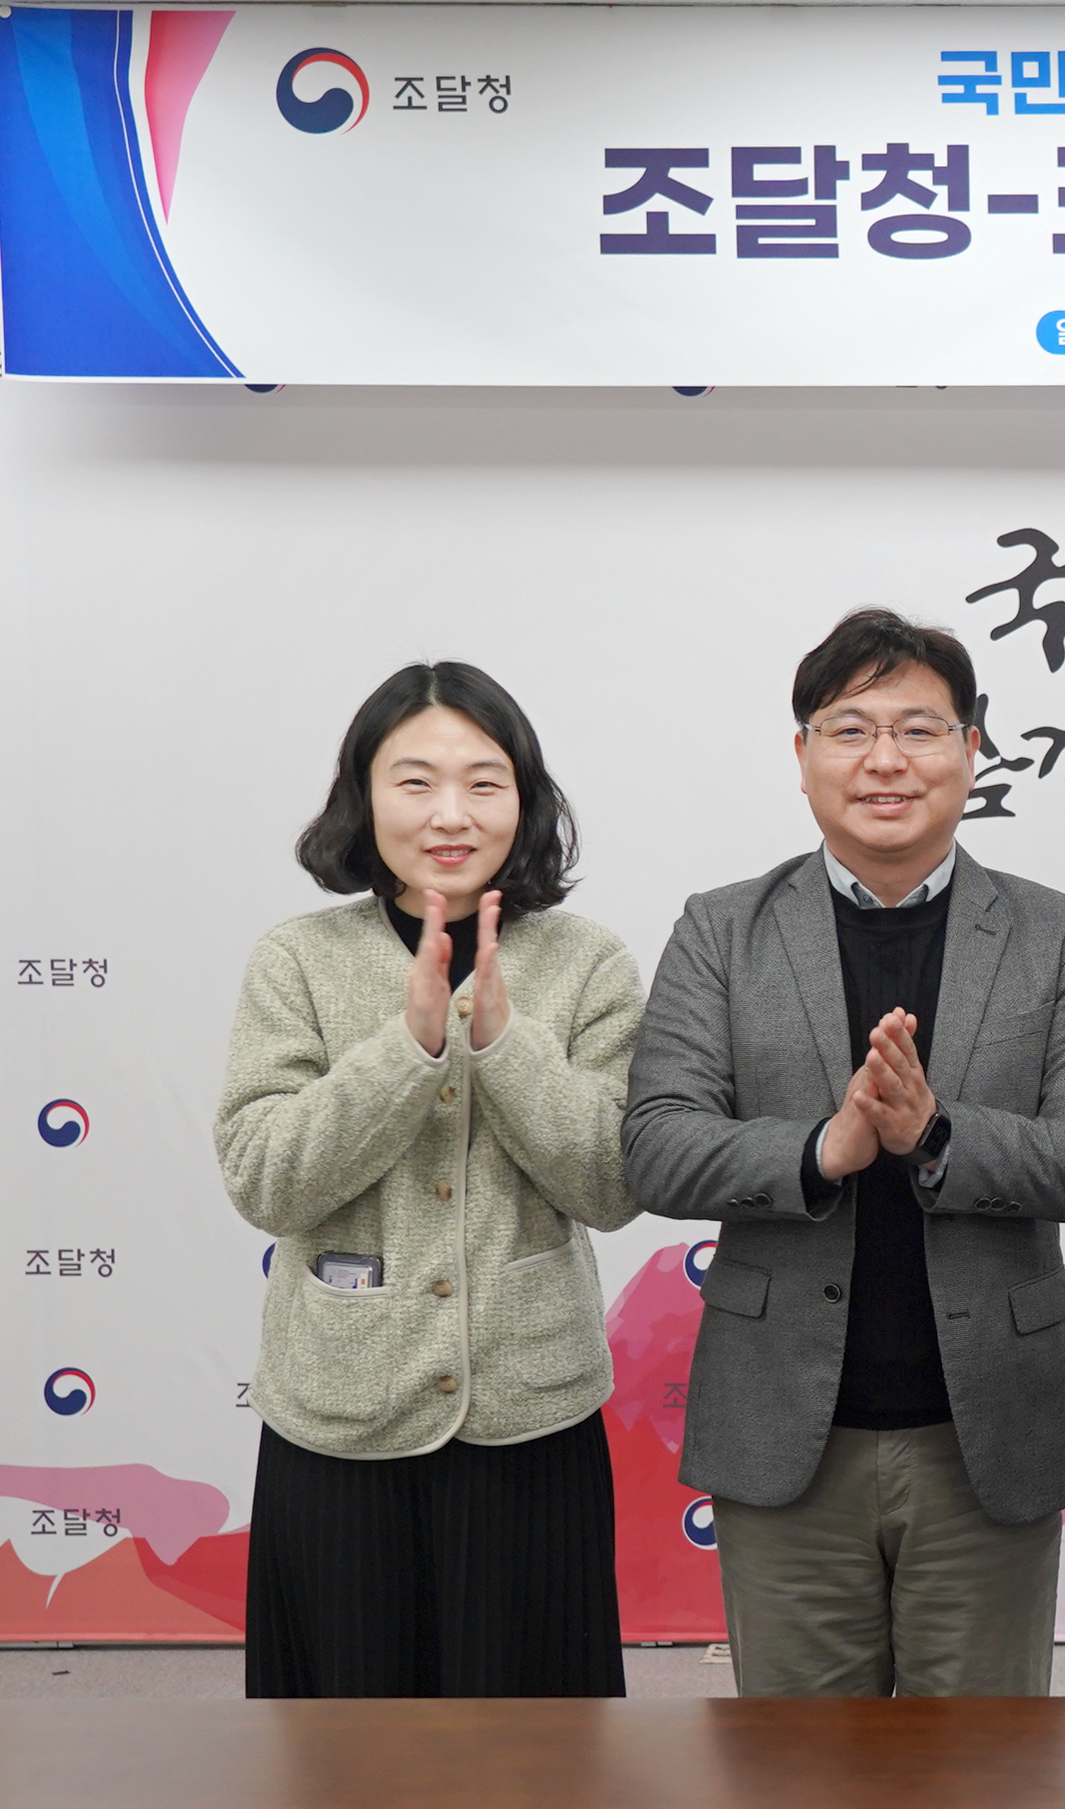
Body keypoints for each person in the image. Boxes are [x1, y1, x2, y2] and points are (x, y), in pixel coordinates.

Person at [621, 608, 1065, 1698]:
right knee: (800, 1769)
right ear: (802, 753)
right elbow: (657, 1146)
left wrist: (935, 1137)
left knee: (984, 1766)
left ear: (972, 748)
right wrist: (827, 1148)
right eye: (851, 730)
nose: (886, 760)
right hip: (784, 1436)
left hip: (988, 1435)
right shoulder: (722, 929)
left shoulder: (1061, 936)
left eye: (919, 729)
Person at [218, 663, 640, 1698]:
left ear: (525, 799)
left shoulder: (589, 963)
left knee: (531, 1743)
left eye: (484, 782)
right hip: (340, 1414)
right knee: (344, 1742)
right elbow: (265, 1180)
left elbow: (612, 1183)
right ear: (363, 797)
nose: (451, 813)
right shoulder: (298, 960)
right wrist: (404, 1049)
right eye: (415, 782)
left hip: (530, 1415)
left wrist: (503, 1043)